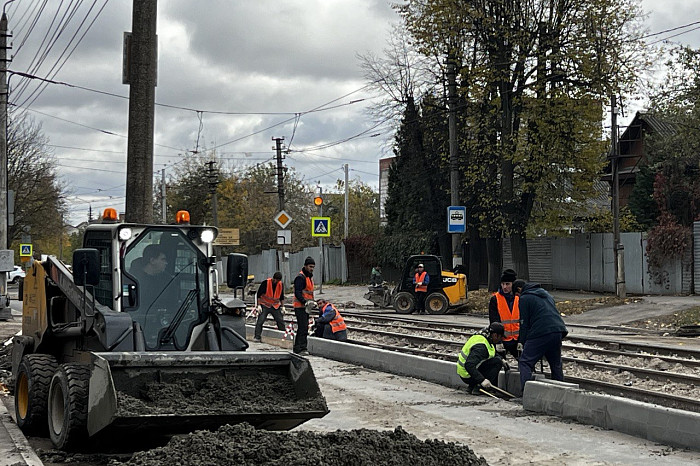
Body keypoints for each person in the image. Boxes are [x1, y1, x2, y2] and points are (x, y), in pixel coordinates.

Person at [513, 280, 568, 391]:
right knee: (555, 363)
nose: (517, 297)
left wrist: (521, 341)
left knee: (525, 362)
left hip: (540, 331)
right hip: (558, 330)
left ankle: (526, 393)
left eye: (516, 295)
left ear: (519, 289)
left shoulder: (524, 298)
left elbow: (524, 323)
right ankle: (560, 392)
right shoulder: (545, 294)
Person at [456, 322, 506, 395]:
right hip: (468, 375)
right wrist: (482, 380)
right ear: (495, 335)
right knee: (497, 362)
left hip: (465, 373)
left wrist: (502, 359)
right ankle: (479, 387)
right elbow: (469, 365)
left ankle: (472, 386)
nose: (500, 340)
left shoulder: (482, 337)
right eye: (500, 337)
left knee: (498, 360)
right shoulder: (481, 347)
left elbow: (491, 352)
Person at [488, 268, 521, 359]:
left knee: (525, 363)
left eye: (507, 284)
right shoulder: (495, 299)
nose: (504, 287)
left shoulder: (519, 298)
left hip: (517, 339)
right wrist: (498, 342)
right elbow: (494, 321)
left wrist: (521, 339)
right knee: (499, 363)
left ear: (513, 285)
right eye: (503, 284)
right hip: (502, 339)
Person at [253, 271, 286, 342]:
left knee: (280, 321)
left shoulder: (280, 285)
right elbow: (259, 295)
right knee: (260, 321)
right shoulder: (266, 283)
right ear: (273, 278)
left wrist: (283, 307)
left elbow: (281, 297)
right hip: (265, 305)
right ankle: (257, 337)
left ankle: (283, 337)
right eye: (276, 280)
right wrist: (258, 305)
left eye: (278, 280)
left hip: (275, 306)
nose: (277, 282)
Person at [292, 256, 315, 355]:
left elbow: (308, 292)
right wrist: (304, 301)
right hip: (300, 306)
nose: (312, 268)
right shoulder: (300, 278)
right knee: (302, 327)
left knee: (304, 327)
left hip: (306, 306)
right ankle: (299, 348)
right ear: (305, 266)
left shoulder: (309, 277)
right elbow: (297, 292)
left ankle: (302, 347)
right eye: (310, 266)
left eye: (313, 267)